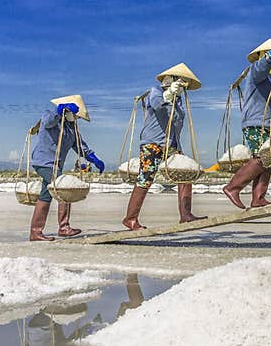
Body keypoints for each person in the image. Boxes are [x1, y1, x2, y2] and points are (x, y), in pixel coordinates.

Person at [122, 63, 205, 230]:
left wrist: (174, 96)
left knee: (186, 175)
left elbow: (177, 121)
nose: (182, 86)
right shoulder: (156, 92)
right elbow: (157, 105)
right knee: (145, 179)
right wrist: (168, 93)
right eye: (180, 81)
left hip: (172, 144)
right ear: (171, 80)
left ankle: (186, 215)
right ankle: (130, 219)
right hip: (152, 144)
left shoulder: (179, 101)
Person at [223, 38, 271, 209]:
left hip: (268, 123)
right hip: (256, 122)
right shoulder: (255, 71)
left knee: (269, 160)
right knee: (261, 159)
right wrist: (270, 57)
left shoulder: (270, 80)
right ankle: (232, 187)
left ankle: (258, 198)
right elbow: (260, 69)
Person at [29, 95, 104, 241]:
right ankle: (63, 227)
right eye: (76, 116)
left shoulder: (71, 128)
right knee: (64, 188)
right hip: (43, 162)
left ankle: (35, 232)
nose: (77, 119)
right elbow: (49, 122)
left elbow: (81, 147)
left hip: (55, 165)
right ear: (68, 112)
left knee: (45, 196)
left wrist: (94, 159)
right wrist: (60, 111)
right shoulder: (50, 116)